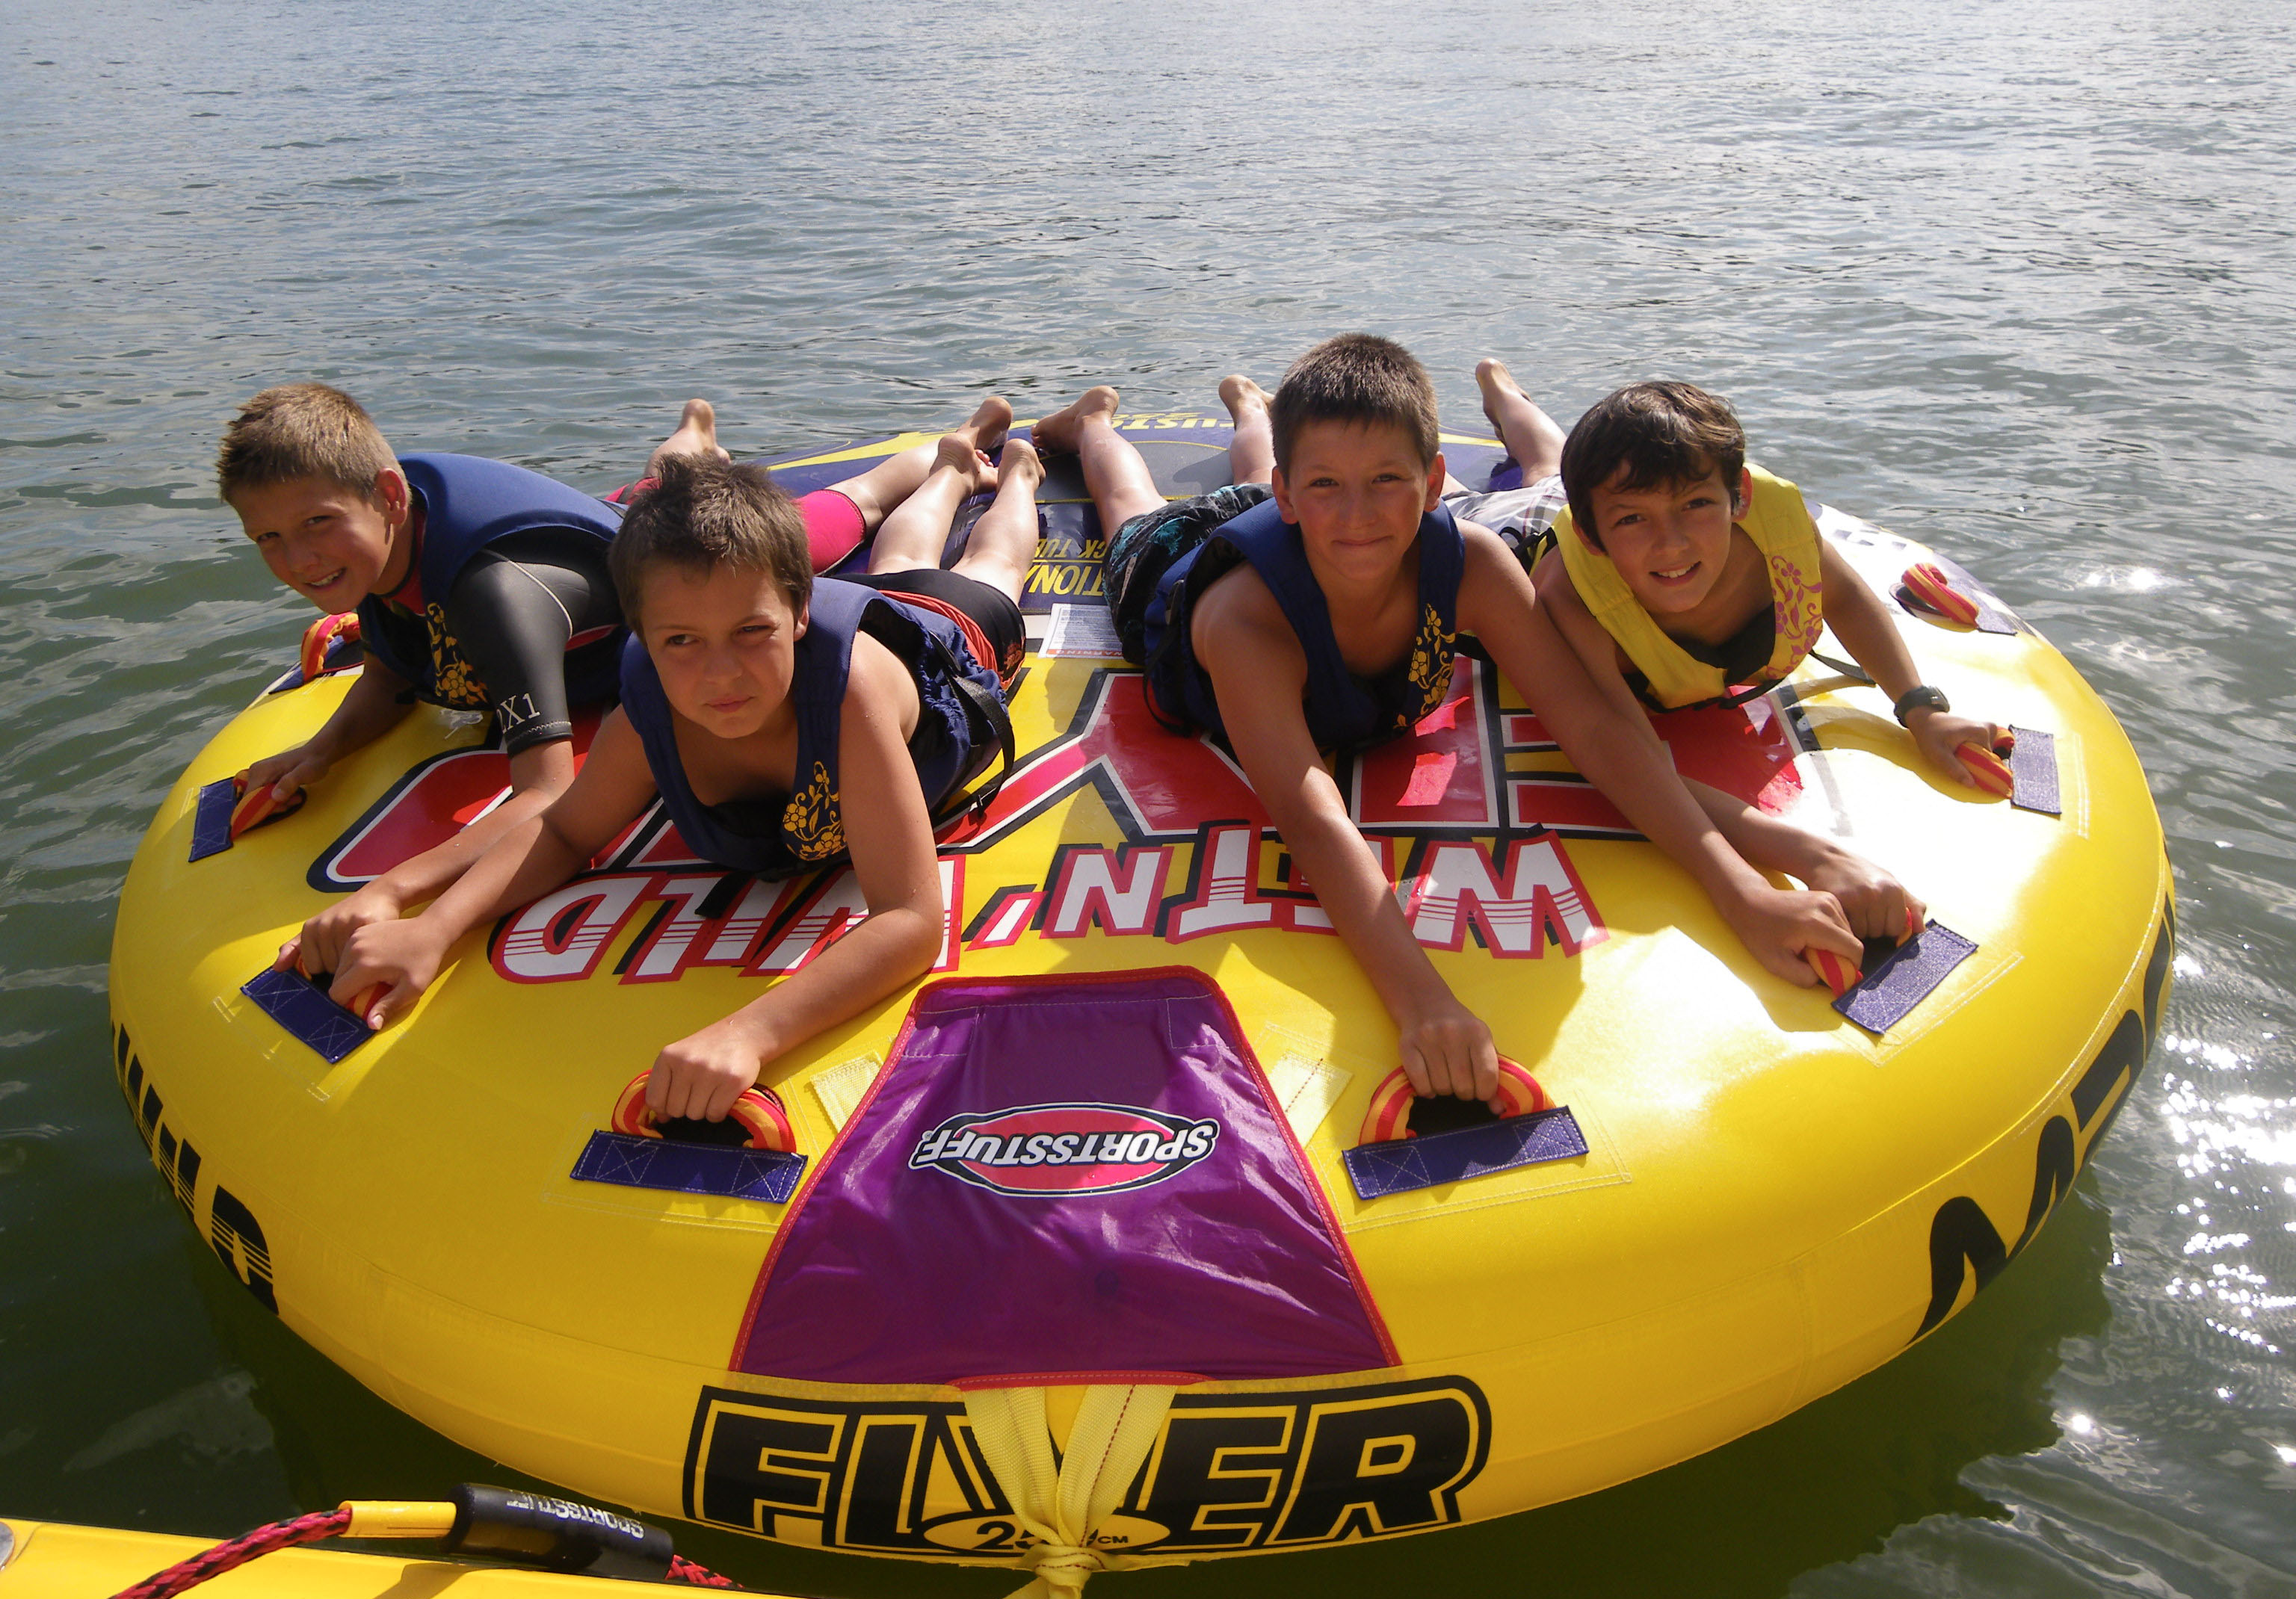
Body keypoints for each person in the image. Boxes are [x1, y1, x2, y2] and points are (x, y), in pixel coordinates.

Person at [1054, 335, 1909, 1108]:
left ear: (1432, 485)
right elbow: (1311, 813)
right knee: (1130, 504)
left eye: (1388, 481)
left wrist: (1773, 872)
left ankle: (1252, 416)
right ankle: (1092, 424)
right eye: (1325, 486)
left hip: (1274, 516)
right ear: (1294, 494)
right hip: (1171, 569)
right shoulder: (1248, 626)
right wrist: (1424, 1002)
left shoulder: (1472, 563)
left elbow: (1601, 735)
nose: (1360, 516)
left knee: (1265, 485)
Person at [328, 428, 1046, 1122]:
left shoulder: (848, 694)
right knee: (900, 555)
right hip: (843, 616)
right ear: (642, 635)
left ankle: (1017, 473)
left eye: (749, 632)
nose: (720, 675)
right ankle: (952, 466)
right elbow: (563, 829)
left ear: (800, 609)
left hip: (943, 634)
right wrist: (436, 927)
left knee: (988, 571)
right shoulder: (650, 708)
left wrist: (749, 1033)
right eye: (681, 642)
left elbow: (911, 920)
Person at [219, 384, 1012, 977]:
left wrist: (395, 890)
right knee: (850, 548)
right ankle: (717, 443)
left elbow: (543, 796)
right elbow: (549, 811)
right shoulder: (652, 687)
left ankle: (974, 469)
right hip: (653, 559)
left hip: (914, 635)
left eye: (318, 523)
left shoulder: (502, 596)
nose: (299, 559)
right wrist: (330, 760)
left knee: (924, 549)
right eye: (270, 539)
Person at [1453, 365, 2005, 784]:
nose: (1673, 543)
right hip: (1530, 534)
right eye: (1640, 518)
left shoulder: (1777, 530)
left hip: (1600, 510)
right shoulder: (1571, 598)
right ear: (1595, 537)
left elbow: (1846, 597)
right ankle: (1502, 405)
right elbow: (1628, 756)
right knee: (1475, 503)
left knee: (1551, 470)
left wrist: (1921, 710)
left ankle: (1503, 394)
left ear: (1738, 496)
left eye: (1695, 504)